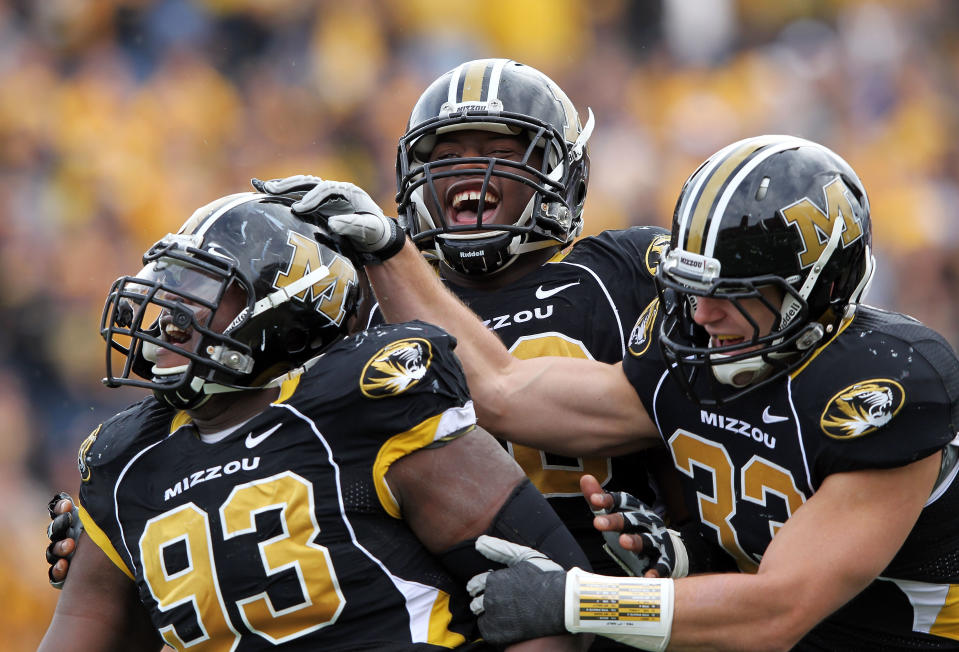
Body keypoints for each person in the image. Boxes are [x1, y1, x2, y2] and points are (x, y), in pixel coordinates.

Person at [46, 59, 694, 623]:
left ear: (560, 168)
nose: (470, 171)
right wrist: (133, 518)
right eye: (445, 156)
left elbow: (700, 424)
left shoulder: (624, 270)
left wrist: (686, 542)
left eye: (497, 147)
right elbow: (290, 455)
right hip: (461, 604)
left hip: (629, 579)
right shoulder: (365, 304)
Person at [300, 134, 959, 650]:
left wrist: (575, 599)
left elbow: (777, 609)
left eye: (732, 297)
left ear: (815, 288)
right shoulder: (686, 351)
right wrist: (391, 252)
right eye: (695, 291)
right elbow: (504, 389)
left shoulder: (883, 383)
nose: (702, 317)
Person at [39, 191, 590, 651]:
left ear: (288, 307)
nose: (169, 320)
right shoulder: (126, 459)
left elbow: (547, 595)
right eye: (171, 287)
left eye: (202, 291)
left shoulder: (364, 400)